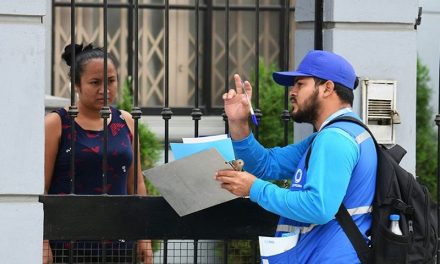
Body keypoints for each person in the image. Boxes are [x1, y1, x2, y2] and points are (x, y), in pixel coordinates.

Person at [216, 50, 377, 263]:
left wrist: (254, 188)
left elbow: (318, 207)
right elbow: (266, 165)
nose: (292, 91)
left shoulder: (335, 139)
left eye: (300, 84)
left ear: (327, 88)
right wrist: (239, 122)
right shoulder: (332, 136)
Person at [44, 43, 153, 264]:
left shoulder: (126, 122)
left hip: (120, 243)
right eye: (95, 83)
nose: (105, 89)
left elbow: (136, 185)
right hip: (68, 243)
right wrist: (43, 241)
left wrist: (144, 237)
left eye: (111, 81)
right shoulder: (57, 123)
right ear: (76, 84)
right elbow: (40, 187)